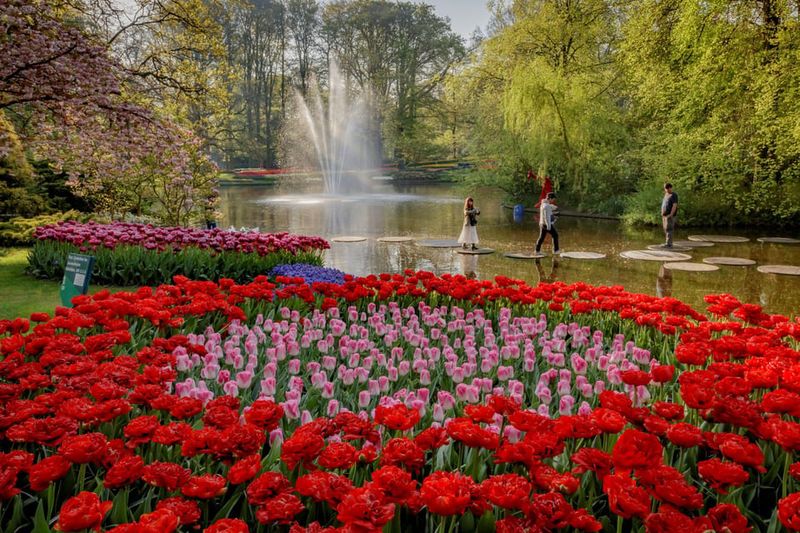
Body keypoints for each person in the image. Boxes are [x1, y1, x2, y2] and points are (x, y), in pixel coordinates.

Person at [661, 183, 679, 248]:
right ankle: (667, 243)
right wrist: (662, 213)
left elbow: (674, 205)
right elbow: (664, 204)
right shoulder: (666, 194)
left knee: (669, 229)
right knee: (665, 229)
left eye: (667, 188)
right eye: (665, 189)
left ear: (670, 188)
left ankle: (669, 244)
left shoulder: (674, 195)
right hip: (664, 215)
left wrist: (671, 214)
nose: (666, 190)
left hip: (670, 215)